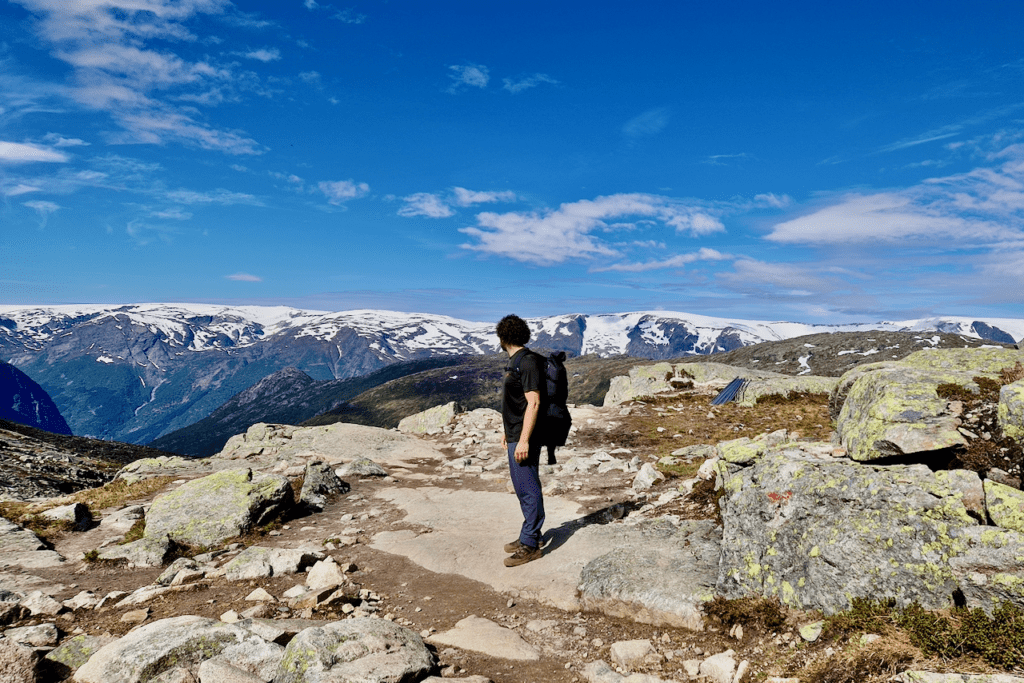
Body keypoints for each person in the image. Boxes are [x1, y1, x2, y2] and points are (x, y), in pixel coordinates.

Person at [496, 314, 545, 567]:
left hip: (525, 436)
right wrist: (509, 430)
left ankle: (530, 544)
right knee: (522, 486)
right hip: (516, 433)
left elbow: (533, 402)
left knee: (527, 487)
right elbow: (516, 403)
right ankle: (529, 533)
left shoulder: (526, 362)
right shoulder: (518, 361)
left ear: (502, 337)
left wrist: (524, 439)